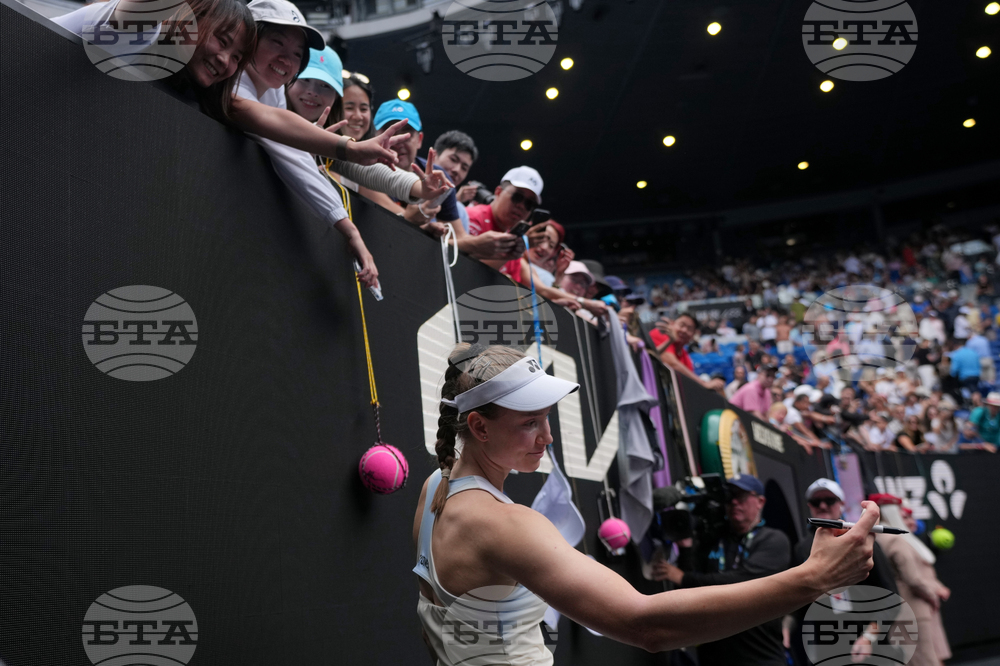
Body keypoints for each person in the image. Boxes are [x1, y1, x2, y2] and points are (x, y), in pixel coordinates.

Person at [414, 344, 878, 664]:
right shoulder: (506, 523)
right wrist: (813, 578)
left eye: (547, 419)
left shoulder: (437, 485)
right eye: (529, 423)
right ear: (478, 427)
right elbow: (646, 626)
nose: (547, 437)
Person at [234, 0, 451, 288]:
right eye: (309, 81)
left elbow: (364, 171)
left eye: (325, 86)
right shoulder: (242, 85)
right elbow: (279, 130)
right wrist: (347, 148)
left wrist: (415, 190)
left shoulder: (273, 95)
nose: (313, 93)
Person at [651, 475, 792, 666]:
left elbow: (745, 582)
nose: (733, 502)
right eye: (729, 496)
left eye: (741, 496)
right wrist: (686, 549)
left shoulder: (773, 540)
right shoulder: (715, 537)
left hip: (759, 657)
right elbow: (690, 594)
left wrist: (684, 578)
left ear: (760, 501)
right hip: (714, 656)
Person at [53, 0, 255, 122]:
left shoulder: (193, 93)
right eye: (222, 40)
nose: (224, 60)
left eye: (237, 57)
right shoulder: (141, 32)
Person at [790, 479, 899, 666]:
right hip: (825, 647)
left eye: (830, 500)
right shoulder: (802, 548)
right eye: (816, 502)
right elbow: (798, 600)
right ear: (809, 506)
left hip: (869, 647)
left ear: (841, 504)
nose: (823, 505)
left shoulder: (859, 540)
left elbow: (891, 596)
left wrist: (868, 637)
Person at [873, 495, 952, 666]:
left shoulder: (880, 538)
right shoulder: (894, 538)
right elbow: (913, 578)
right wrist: (931, 595)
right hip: (912, 610)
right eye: (902, 513)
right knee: (924, 660)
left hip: (902, 610)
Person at [372, 101, 462, 230]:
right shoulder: (363, 167)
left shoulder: (439, 177)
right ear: (374, 136)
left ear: (419, 140)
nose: (398, 141)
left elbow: (457, 237)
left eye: (407, 134)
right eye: (390, 132)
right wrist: (423, 227)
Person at [456, 167, 544, 269]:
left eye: (529, 203)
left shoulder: (516, 246)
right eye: (517, 197)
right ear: (498, 192)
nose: (522, 206)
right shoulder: (469, 217)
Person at [660, 314, 726, 393]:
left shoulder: (685, 357)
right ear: (672, 324)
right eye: (681, 325)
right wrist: (703, 384)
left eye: (689, 329)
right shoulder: (661, 333)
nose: (684, 330)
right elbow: (671, 363)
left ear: (693, 335)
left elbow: (689, 382)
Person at [434, 130, 479, 233]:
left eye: (464, 168)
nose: (457, 170)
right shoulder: (408, 182)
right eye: (453, 159)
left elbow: (459, 245)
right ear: (434, 155)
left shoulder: (461, 212)